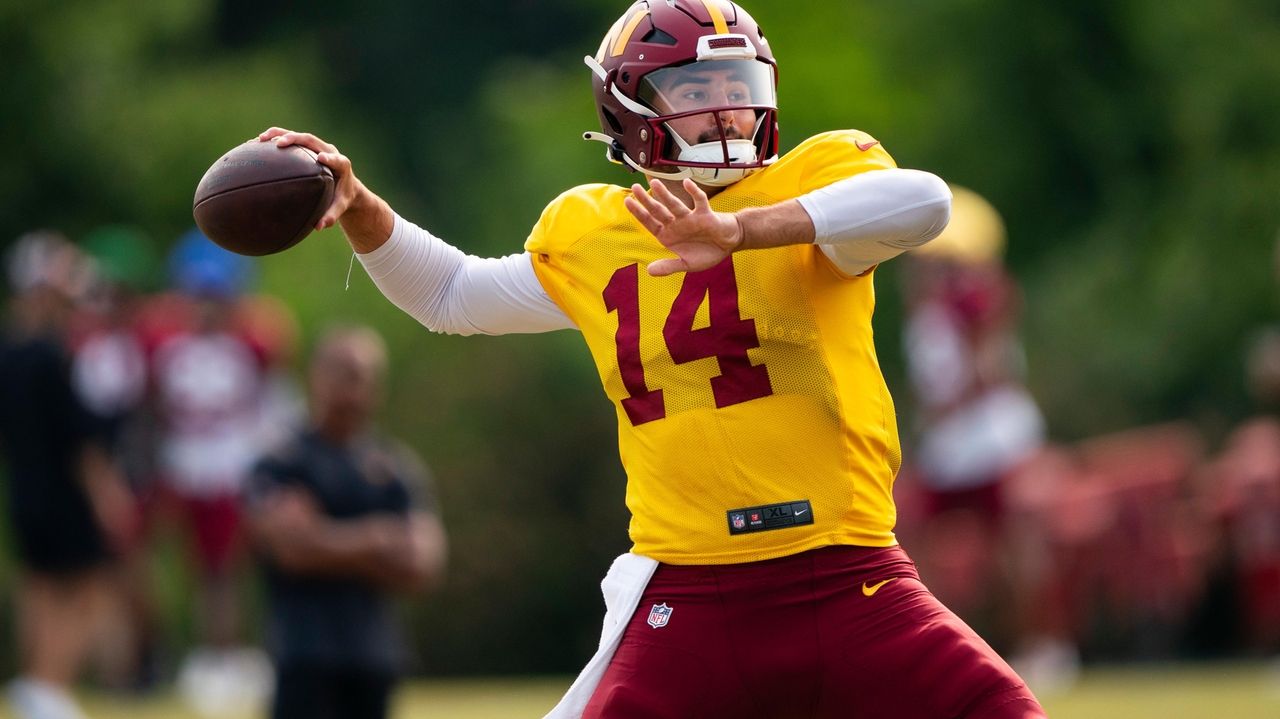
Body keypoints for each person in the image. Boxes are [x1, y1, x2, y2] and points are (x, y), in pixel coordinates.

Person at [258, 1, 1045, 716]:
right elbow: (453, 295)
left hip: (847, 574)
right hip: (690, 597)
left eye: (740, 84)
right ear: (632, 109)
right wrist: (362, 209)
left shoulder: (810, 188)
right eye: (699, 90)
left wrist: (742, 232)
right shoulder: (596, 232)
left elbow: (924, 203)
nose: (730, 106)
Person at [244, 325, 447, 719]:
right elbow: (292, 549)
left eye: (369, 379)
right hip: (303, 653)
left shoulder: (394, 469)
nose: (358, 390)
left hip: (374, 657)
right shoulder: (283, 460)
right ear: (315, 375)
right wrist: (376, 539)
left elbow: (423, 564)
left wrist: (328, 539)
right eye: (348, 375)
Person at [0, 232, 136, 719]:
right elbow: (79, 438)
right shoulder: (51, 355)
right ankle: (48, 684)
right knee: (85, 589)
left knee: (37, 588)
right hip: (63, 492)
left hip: (23, 488)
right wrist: (107, 494)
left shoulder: (8, 352)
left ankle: (32, 682)